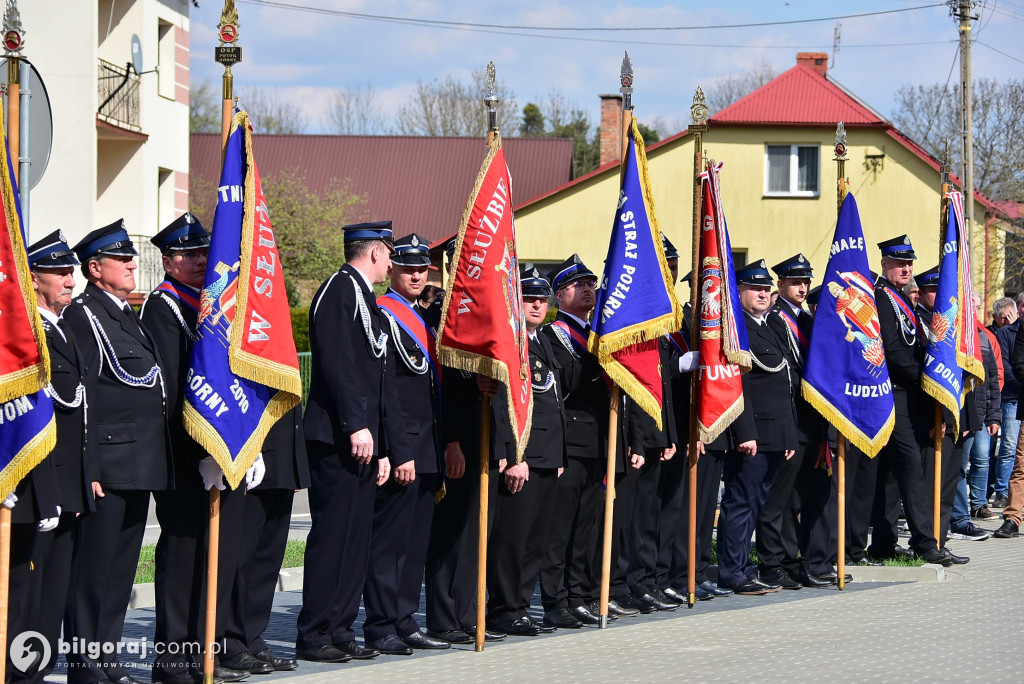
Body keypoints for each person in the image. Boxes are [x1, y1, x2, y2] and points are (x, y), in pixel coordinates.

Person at [62, 221, 173, 684]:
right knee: (93, 571)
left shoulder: (126, 313)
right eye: (121, 259)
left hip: (140, 461)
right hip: (107, 464)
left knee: (120, 572)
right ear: (94, 268)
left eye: (131, 258)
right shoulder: (84, 315)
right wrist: (87, 466)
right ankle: (86, 668)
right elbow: (81, 398)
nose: (132, 264)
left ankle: (106, 662)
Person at [296, 221, 397, 663]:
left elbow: (375, 375)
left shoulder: (365, 298)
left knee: (356, 540)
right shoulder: (339, 290)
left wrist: (384, 446)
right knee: (333, 537)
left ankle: (340, 628)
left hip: (363, 442)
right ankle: (315, 632)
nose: (392, 264)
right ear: (374, 252)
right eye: (389, 254)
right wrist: (356, 424)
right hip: (338, 437)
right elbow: (337, 363)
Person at [363, 233, 448, 654]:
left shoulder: (426, 319)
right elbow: (384, 392)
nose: (416, 275)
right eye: (408, 268)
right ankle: (380, 625)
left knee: (415, 544)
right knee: (389, 544)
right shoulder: (382, 314)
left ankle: (404, 619)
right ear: (392, 269)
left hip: (428, 445)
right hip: (403, 448)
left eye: (422, 270)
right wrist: (394, 451)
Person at [10, 231, 89, 684]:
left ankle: (35, 669)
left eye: (71, 271)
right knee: (25, 589)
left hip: (64, 483)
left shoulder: (63, 327)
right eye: (59, 272)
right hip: (35, 482)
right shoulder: (27, 332)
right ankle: (18, 673)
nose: (68, 279)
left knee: (52, 590)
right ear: (33, 277)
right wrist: (41, 487)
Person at [423, 237, 505, 646]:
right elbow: (442, 387)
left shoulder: (491, 314)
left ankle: (469, 612)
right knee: (450, 532)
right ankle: (442, 617)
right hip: (456, 440)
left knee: (477, 534)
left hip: (486, 441)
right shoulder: (442, 314)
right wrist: (451, 441)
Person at [485, 267, 568, 635]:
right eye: (529, 298)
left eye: (541, 299)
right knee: (512, 540)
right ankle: (504, 608)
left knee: (536, 539)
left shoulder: (543, 340)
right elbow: (502, 401)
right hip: (524, 455)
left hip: (548, 455)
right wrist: (513, 456)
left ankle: (521, 604)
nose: (537, 305)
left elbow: (553, 400)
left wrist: (560, 455)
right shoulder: (509, 340)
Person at [866, 237, 950, 566]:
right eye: (900, 263)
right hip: (893, 392)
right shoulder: (882, 298)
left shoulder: (902, 300)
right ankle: (925, 542)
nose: (907, 268)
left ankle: (884, 543)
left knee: (890, 473)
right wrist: (923, 376)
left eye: (910, 263)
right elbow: (890, 349)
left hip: (908, 394)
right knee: (911, 467)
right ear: (885, 263)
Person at [715, 260, 798, 595]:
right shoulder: (739, 330)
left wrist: (789, 434)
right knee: (740, 503)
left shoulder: (771, 326)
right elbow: (739, 387)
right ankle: (732, 572)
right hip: (755, 433)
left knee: (756, 503)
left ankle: (745, 568)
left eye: (766, 288)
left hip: (777, 432)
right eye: (755, 288)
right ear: (739, 292)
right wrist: (744, 431)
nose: (763, 293)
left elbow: (786, 383)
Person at [540, 255, 609, 626]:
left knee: (587, 526)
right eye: (577, 285)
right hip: (570, 442)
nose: (587, 290)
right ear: (559, 295)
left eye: (590, 284)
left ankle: (580, 593)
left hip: (598, 440)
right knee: (560, 527)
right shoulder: (554, 335)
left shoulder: (597, 330)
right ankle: (556, 601)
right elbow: (569, 380)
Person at [758, 253, 816, 590]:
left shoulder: (806, 320)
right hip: (788, 420)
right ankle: (771, 562)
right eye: (796, 282)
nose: (802, 287)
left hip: (807, 421)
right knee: (776, 499)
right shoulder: (776, 320)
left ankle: (790, 557)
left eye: (806, 282)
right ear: (781, 284)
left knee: (795, 498)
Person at [949, 291, 1000, 541]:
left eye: (978, 307)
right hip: (954, 413)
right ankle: (952, 519)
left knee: (968, 465)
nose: (975, 311)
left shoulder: (983, 337)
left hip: (975, 415)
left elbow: (991, 380)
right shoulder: (951, 334)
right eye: (971, 306)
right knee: (954, 468)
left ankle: (961, 518)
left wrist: (994, 416)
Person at [991, 296, 1019, 510]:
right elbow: (1006, 366)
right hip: (1011, 397)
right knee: (1008, 447)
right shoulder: (1004, 333)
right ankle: (1002, 491)